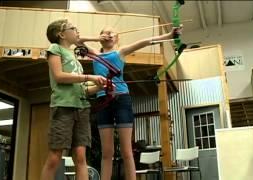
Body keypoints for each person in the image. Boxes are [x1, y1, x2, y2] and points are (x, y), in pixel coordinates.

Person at [79, 26, 182, 180]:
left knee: (127, 151)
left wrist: (169, 35)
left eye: (112, 33)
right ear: (100, 37)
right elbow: (78, 41)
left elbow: (145, 42)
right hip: (103, 100)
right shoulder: (94, 54)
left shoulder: (120, 52)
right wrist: (96, 39)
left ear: (117, 39)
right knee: (107, 152)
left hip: (121, 99)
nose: (109, 35)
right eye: (105, 33)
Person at [40, 19, 107, 180]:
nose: (77, 30)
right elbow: (59, 76)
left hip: (82, 108)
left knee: (81, 158)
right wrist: (90, 76)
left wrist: (99, 86)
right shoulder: (55, 49)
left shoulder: (75, 58)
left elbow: (83, 89)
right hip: (63, 107)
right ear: (61, 34)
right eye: (73, 28)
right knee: (55, 156)